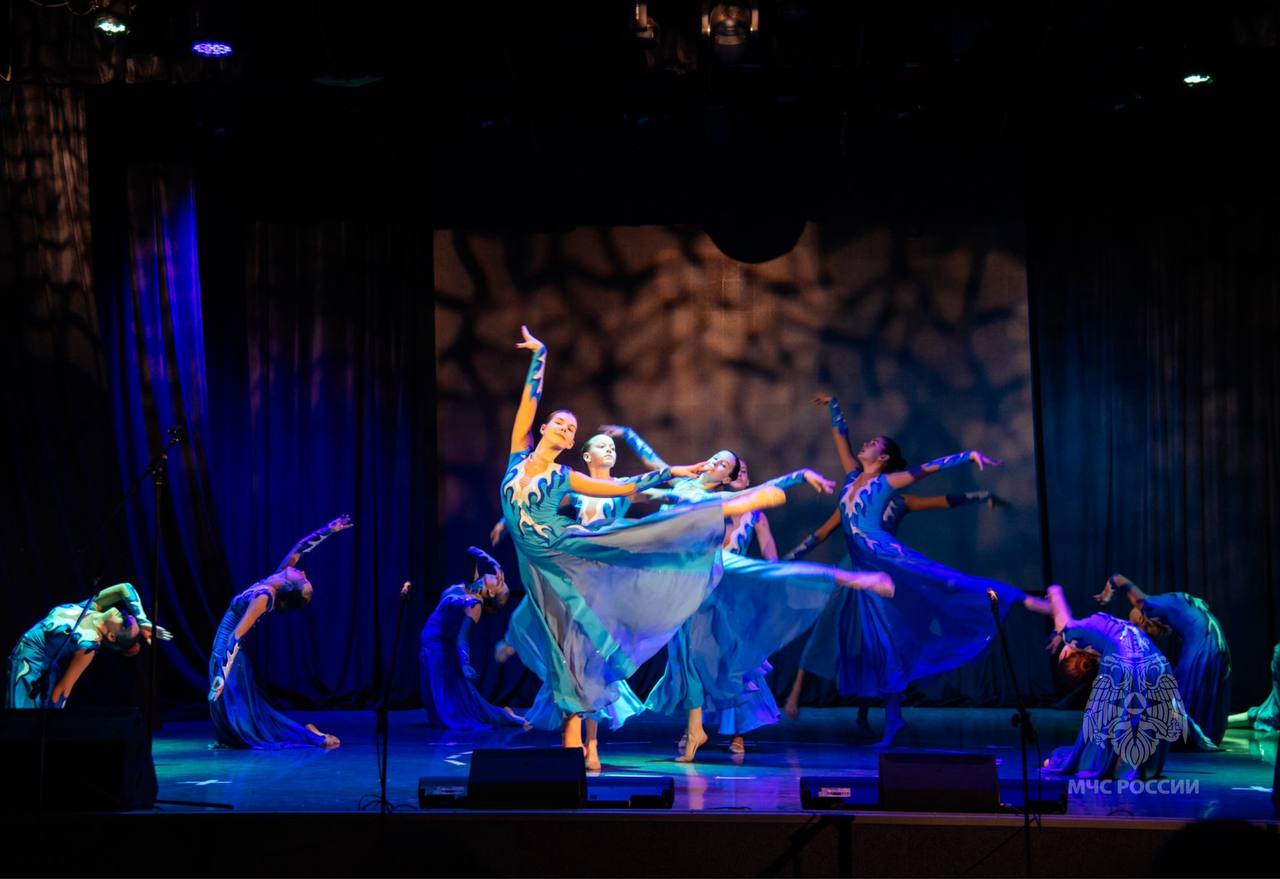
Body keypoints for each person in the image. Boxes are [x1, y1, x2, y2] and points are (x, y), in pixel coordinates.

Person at [498, 326, 842, 762]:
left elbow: (626, 487)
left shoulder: (567, 477)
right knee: (568, 646)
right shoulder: (519, 453)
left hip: (566, 550)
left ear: (569, 444)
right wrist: (540, 355)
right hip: (538, 567)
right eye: (561, 424)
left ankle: (751, 507)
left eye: (571, 428)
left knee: (635, 552)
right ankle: (583, 739)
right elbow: (529, 403)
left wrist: (677, 471)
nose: (566, 429)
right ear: (545, 429)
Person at [604, 425, 895, 762]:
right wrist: (627, 434)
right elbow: (652, 461)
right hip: (678, 577)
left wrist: (800, 475)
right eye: (716, 458)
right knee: (685, 655)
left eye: (724, 465)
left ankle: (855, 579)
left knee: (771, 575)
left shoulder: (721, 499)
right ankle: (695, 728)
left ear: (726, 479)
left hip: (708, 566)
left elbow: (765, 490)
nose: (716, 463)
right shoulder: (679, 482)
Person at [780, 392, 1049, 745]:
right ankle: (894, 721)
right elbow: (841, 438)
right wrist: (834, 406)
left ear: (884, 457)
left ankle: (1027, 600)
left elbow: (928, 469)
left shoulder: (887, 483)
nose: (866, 443)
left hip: (889, 559)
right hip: (867, 575)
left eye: (874, 443)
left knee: (948, 582)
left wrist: (968, 455)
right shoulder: (850, 479)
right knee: (882, 643)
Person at [207, 515, 353, 749]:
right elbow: (299, 548)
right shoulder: (275, 579)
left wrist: (222, 675)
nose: (303, 574)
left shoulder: (265, 596)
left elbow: (237, 635)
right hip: (225, 649)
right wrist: (328, 530)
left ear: (290, 586)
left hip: (229, 651)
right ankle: (234, 738)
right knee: (236, 709)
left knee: (243, 714)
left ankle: (311, 736)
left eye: (303, 580)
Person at [1030, 584, 1191, 779]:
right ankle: (1133, 763)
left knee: (1115, 715)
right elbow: (1063, 623)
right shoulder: (1084, 632)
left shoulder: (1090, 640)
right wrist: (1054, 594)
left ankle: (1117, 763)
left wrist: (1054, 601)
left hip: (1130, 661)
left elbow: (1065, 625)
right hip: (1157, 662)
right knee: (1130, 712)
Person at [1095, 573, 1229, 748]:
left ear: (1143, 617)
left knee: (1181, 691)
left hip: (1203, 645)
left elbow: (1122, 582)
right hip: (1216, 644)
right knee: (1199, 688)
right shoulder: (1170, 605)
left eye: (1137, 625)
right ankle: (1205, 732)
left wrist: (1110, 586)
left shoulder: (1151, 605)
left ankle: (1183, 736)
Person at [6, 582, 169, 708]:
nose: (124, 613)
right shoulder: (91, 608)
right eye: (128, 615)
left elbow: (64, 688)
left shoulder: (88, 644)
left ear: (111, 636)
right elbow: (124, 588)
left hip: (30, 671)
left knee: (20, 725)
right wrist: (142, 619)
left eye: (125, 623)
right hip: (24, 662)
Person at [420, 556, 527, 731]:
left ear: (491, 593)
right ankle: (502, 713)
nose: (497, 577)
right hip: (430, 643)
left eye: (499, 583)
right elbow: (471, 552)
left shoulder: (475, 604)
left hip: (438, 646)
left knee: (451, 712)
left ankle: (503, 715)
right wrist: (494, 563)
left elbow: (462, 637)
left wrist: (463, 663)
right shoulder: (470, 585)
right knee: (448, 704)